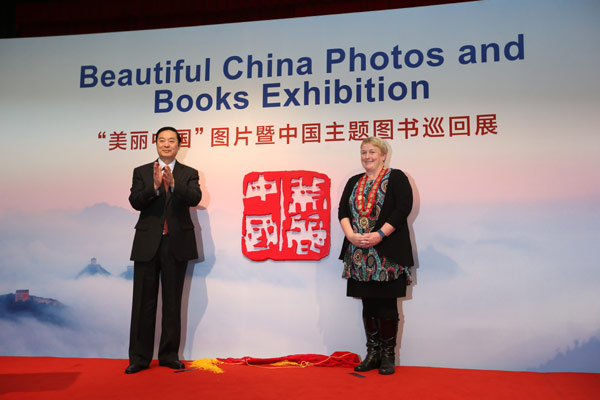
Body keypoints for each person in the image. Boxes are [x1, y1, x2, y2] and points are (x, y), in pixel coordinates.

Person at [125, 126, 202, 374]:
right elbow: (135, 201)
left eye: (171, 141)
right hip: (148, 244)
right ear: (155, 143)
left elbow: (194, 198)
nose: (166, 144)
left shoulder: (189, 173)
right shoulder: (142, 172)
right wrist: (155, 187)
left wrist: (174, 184)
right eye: (162, 140)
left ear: (179, 145)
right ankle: (139, 358)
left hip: (176, 245)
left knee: (172, 303)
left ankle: (169, 355)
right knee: (142, 304)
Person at [338, 137, 414, 375]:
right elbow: (342, 210)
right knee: (368, 302)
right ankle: (372, 354)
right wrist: (351, 235)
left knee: (387, 303)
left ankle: (388, 356)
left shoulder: (397, 177)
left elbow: (403, 207)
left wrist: (381, 234)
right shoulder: (353, 182)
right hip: (359, 253)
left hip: (387, 251)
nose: (367, 156)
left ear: (383, 155)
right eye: (363, 152)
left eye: (372, 152)